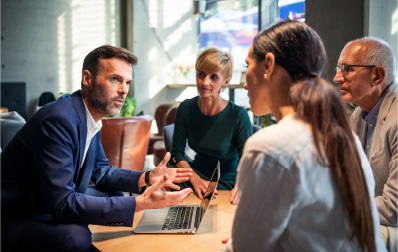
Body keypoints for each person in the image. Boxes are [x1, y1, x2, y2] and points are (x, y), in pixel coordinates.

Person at [0, 45, 193, 252]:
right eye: (114, 79)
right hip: (17, 214)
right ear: (87, 78)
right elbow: (63, 203)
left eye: (127, 82)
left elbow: (102, 171)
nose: (124, 90)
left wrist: (147, 177)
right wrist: (140, 203)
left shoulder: (89, 115)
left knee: (115, 196)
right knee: (77, 237)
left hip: (45, 201)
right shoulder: (58, 120)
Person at [222, 20, 386, 252]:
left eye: (247, 65)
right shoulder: (343, 137)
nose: (244, 82)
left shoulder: (270, 145)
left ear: (268, 64)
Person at [333, 37, 398, 250]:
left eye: (346, 69)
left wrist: (334, 206)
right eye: (338, 69)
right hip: (371, 214)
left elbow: (394, 207)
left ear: (377, 76)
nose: (336, 78)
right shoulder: (358, 115)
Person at [171, 48, 252, 204]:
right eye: (201, 74)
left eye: (213, 77)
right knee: (165, 180)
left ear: (226, 81)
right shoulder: (186, 108)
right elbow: (177, 153)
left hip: (227, 179)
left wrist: (240, 184)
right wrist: (193, 178)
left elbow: (247, 161)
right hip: (195, 173)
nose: (204, 82)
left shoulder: (238, 115)